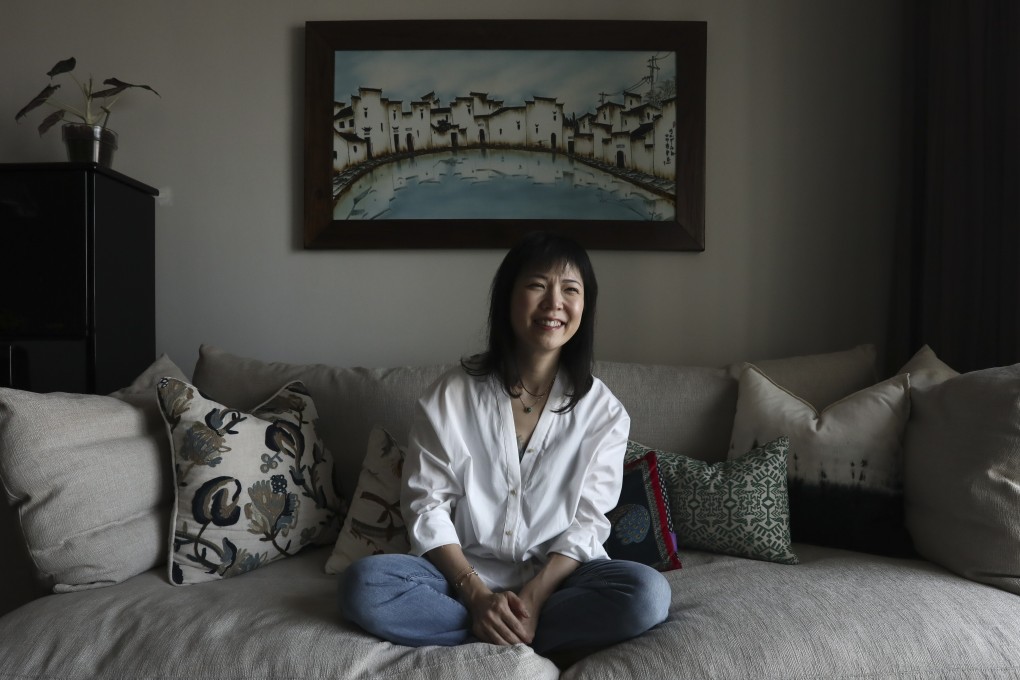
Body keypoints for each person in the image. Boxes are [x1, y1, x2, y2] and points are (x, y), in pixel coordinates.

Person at [338, 231, 670, 657]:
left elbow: (587, 522)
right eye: (537, 286)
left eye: (570, 290)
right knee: (362, 585)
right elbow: (426, 505)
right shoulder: (450, 396)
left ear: (584, 308)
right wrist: (475, 595)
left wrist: (533, 596)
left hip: (559, 582)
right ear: (507, 298)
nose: (554, 303)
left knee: (648, 595)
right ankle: (509, 627)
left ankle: (508, 625)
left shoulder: (603, 412)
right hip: (455, 578)